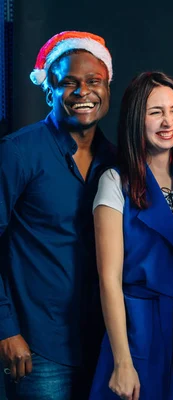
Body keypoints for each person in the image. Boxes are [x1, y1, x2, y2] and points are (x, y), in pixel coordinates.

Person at [88, 72, 173, 400]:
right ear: (137, 118)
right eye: (155, 112)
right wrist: (122, 360)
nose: (168, 121)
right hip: (140, 330)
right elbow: (109, 279)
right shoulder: (115, 181)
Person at [0, 31, 114, 399]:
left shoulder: (117, 162)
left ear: (107, 88)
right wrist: (5, 329)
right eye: (68, 83)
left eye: (94, 81)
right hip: (37, 346)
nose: (83, 92)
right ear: (49, 91)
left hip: (104, 344)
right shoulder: (17, 152)